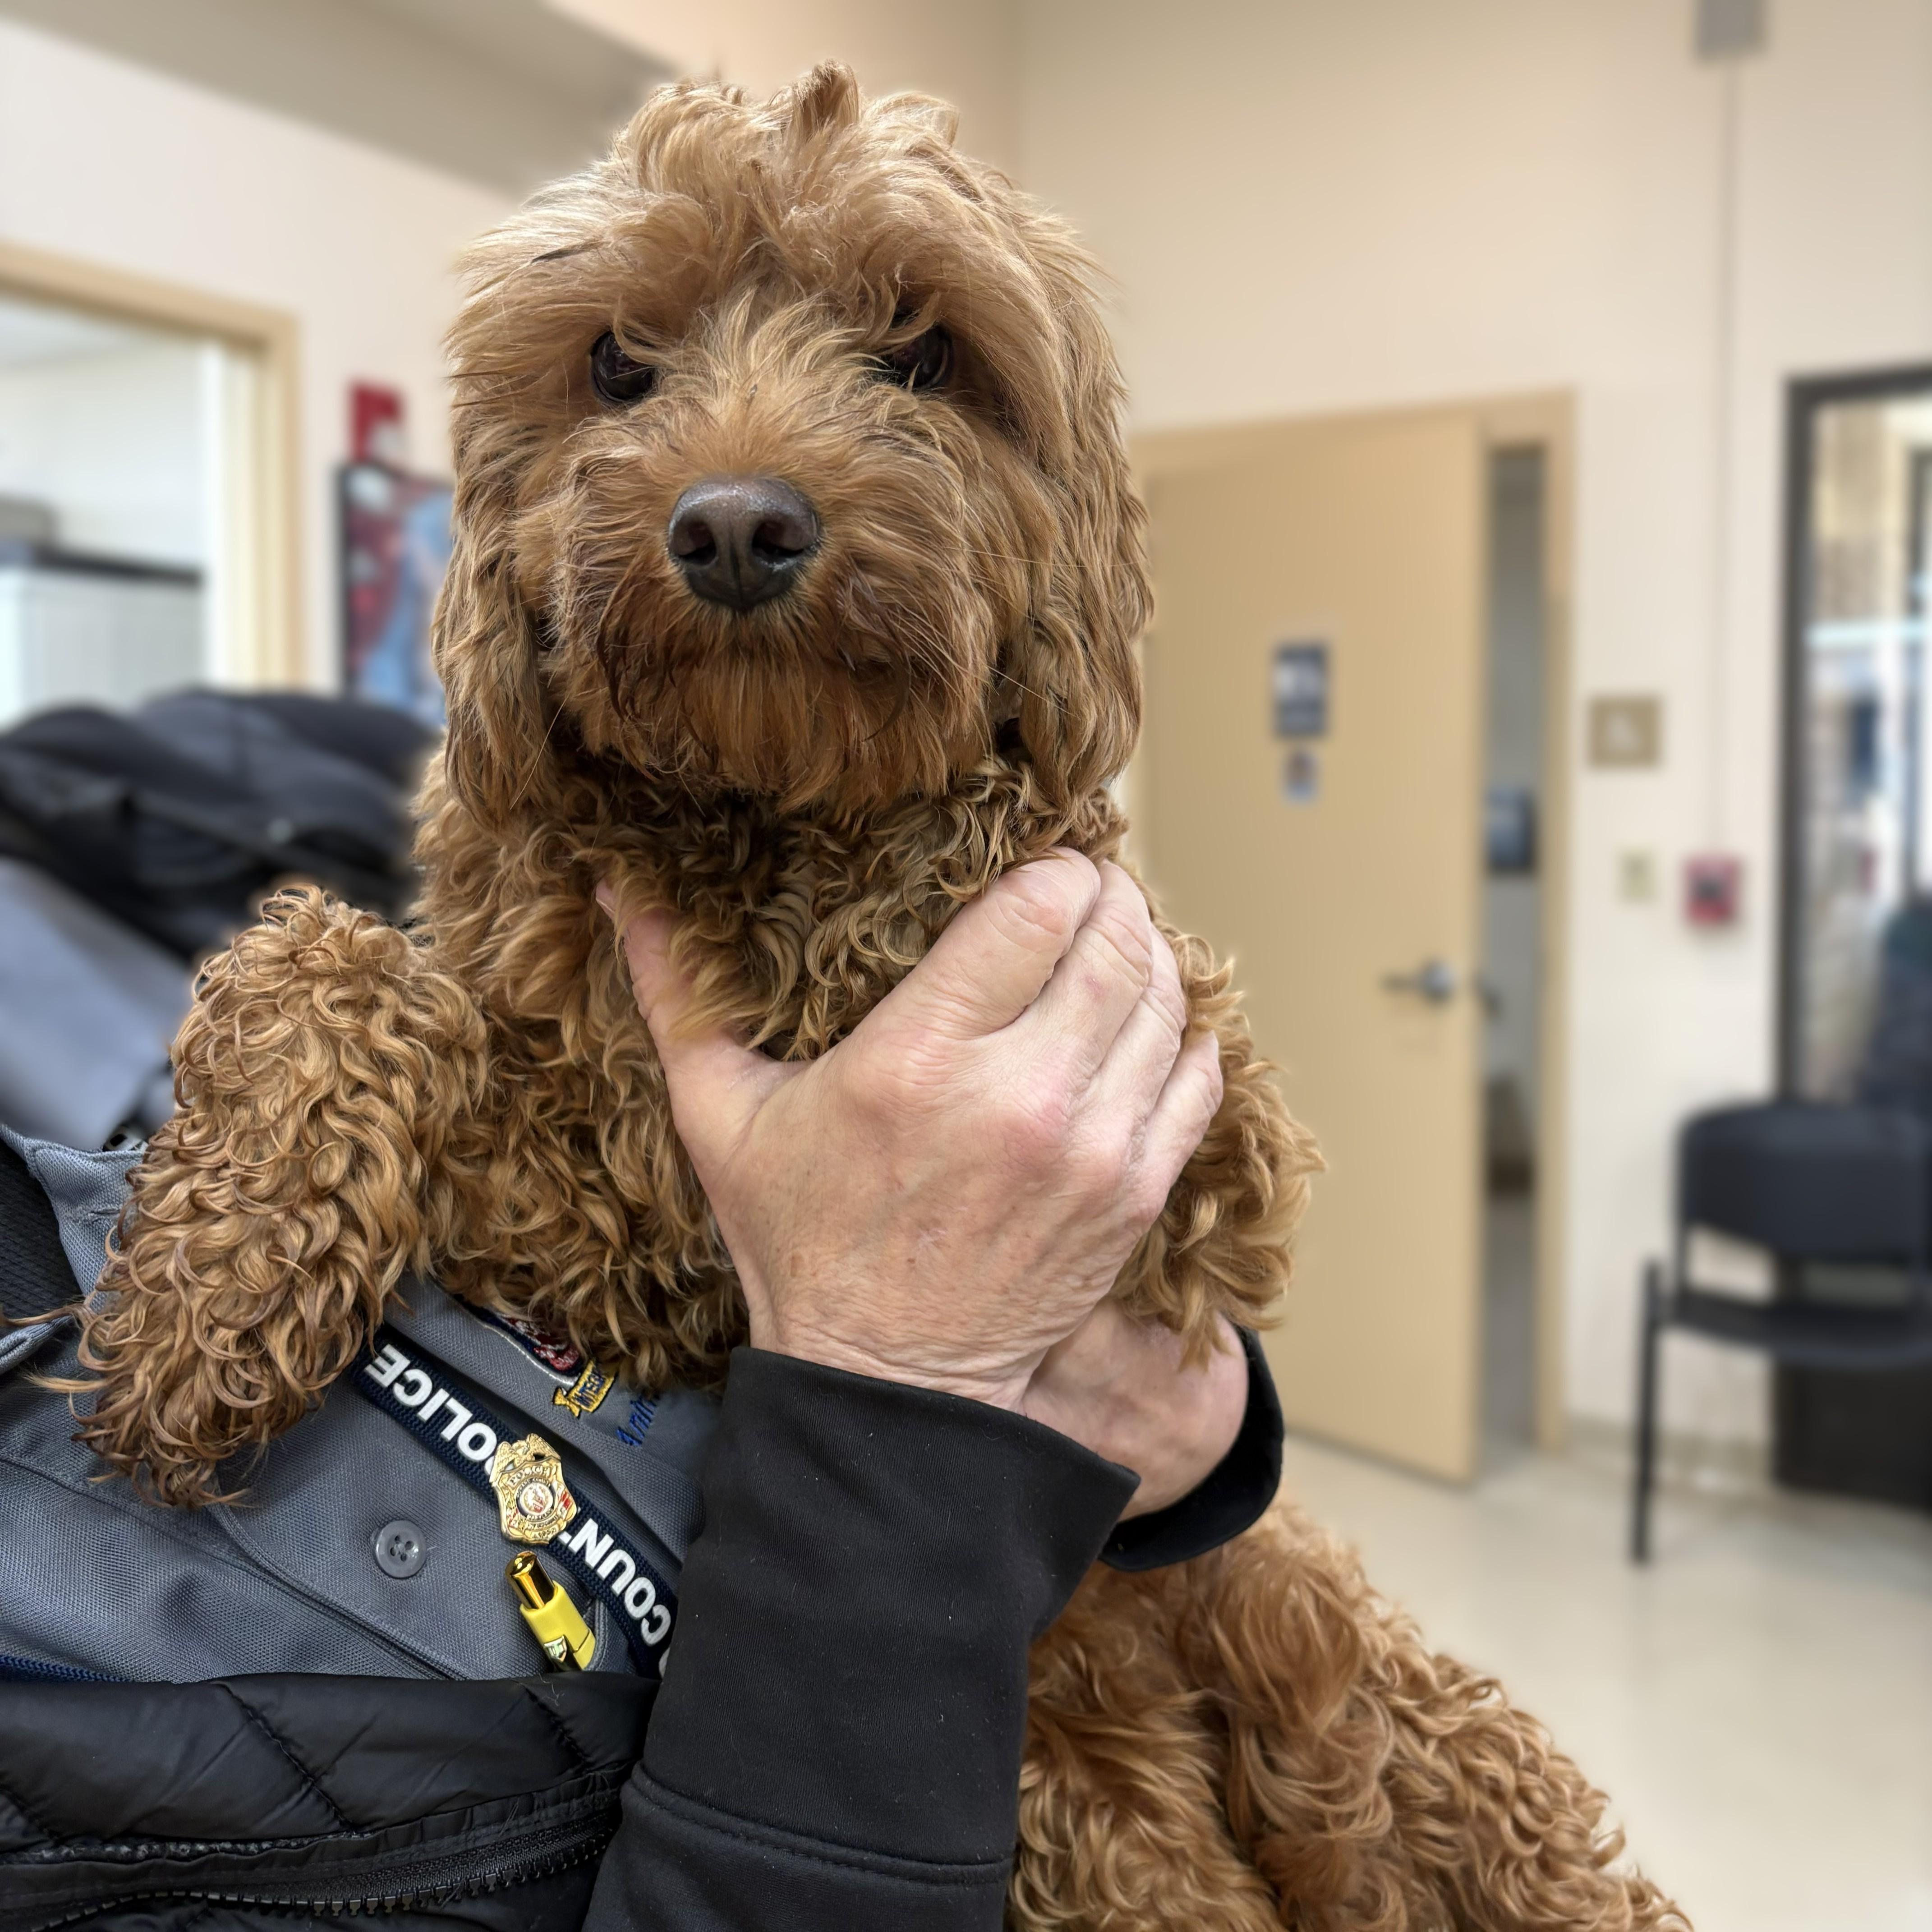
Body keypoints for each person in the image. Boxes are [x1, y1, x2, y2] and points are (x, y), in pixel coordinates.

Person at [0, 853, 1283, 1929]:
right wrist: (903, 1397)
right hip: (956, 1711)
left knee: (1387, 1752)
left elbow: (1153, 1371)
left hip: (1092, 1528)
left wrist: (1147, 1391)